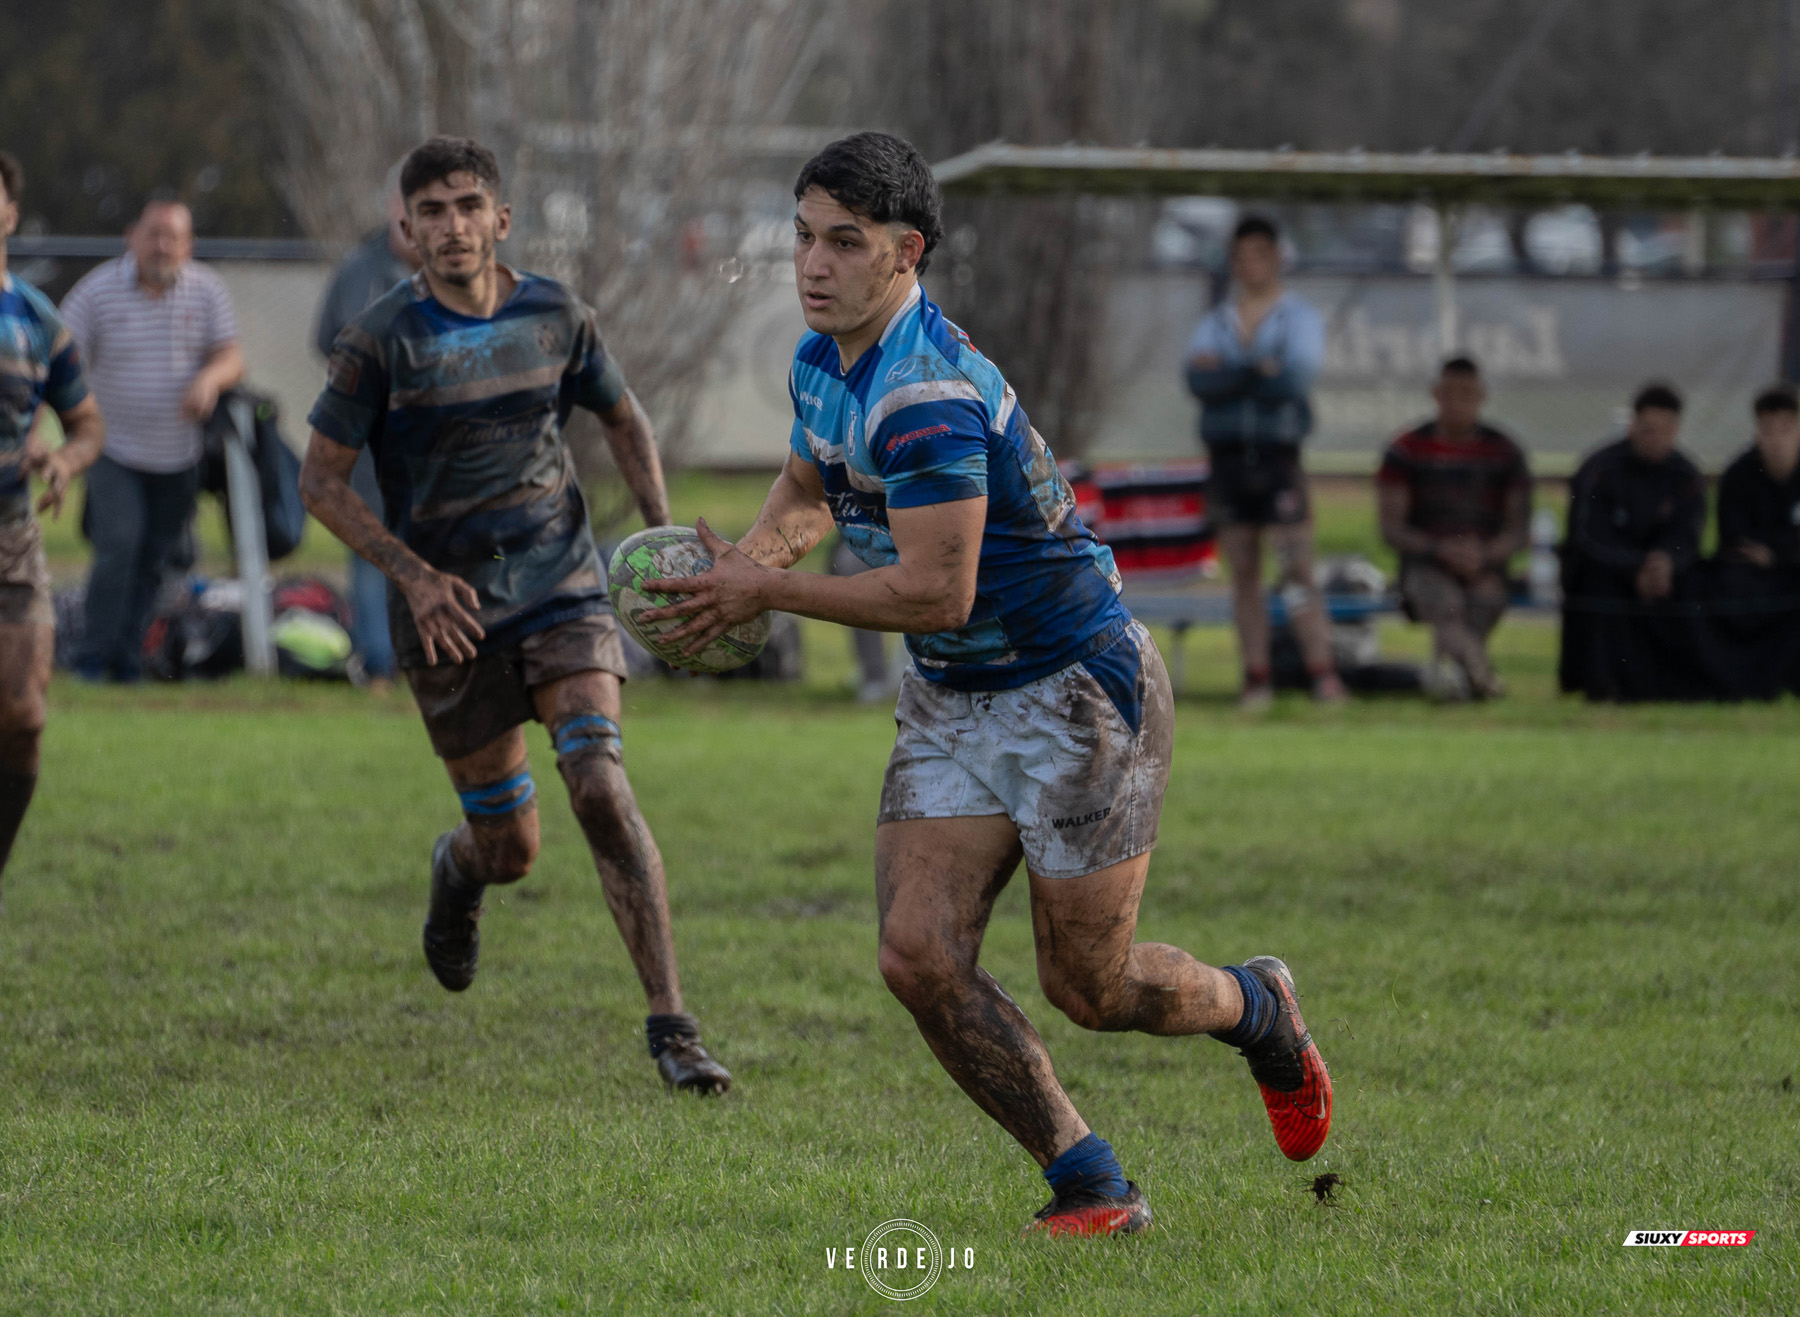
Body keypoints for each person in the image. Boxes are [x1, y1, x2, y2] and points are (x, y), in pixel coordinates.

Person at [642, 132, 1331, 1234]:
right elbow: (809, 487)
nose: (813, 265)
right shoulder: (823, 359)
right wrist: (739, 569)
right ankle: (1088, 1178)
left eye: (845, 243)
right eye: (803, 238)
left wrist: (762, 597)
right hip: (956, 702)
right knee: (917, 956)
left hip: (1073, 692)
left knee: (1092, 988)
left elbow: (934, 594)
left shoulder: (926, 394)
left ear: (906, 253)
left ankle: (1256, 1005)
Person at [299, 136, 729, 1094]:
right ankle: (459, 872)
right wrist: (411, 577)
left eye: (468, 207)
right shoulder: (378, 340)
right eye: (432, 213)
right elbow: (319, 482)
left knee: (601, 788)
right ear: (406, 231)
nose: (453, 227)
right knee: (513, 848)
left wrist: (662, 544)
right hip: (447, 613)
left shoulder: (554, 314)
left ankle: (674, 1027)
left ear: (501, 218)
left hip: (560, 585)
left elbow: (623, 418)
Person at [59, 198, 242, 683]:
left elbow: (231, 355)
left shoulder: (207, 291)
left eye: (173, 237)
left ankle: (127, 659)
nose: (162, 245)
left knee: (154, 562)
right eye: (153, 234)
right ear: (131, 237)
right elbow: (59, 355)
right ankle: (89, 660)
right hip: (112, 448)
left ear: (189, 245)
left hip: (178, 455)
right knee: (119, 545)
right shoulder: (97, 292)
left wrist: (210, 379)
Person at [0, 151, 106, 892]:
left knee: (25, 716)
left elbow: (87, 423)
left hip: (12, 536)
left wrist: (66, 460)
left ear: (10, 213)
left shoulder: (37, 320)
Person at [1185, 215, 1343, 710]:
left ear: (1276, 258)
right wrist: (1258, 367)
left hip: (1278, 458)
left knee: (1297, 570)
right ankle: (1256, 678)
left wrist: (1232, 373)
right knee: (1244, 575)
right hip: (1229, 460)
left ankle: (1323, 674)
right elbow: (1197, 379)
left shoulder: (1298, 318)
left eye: (1259, 254)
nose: (1249, 265)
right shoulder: (1216, 320)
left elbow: (1293, 378)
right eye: (1241, 255)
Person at [312, 169, 422, 691]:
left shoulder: (457, 275)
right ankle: (380, 664)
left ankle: (432, 662)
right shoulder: (359, 271)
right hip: (372, 437)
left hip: (440, 443)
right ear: (391, 209)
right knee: (371, 544)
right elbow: (328, 340)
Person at [1377, 356, 1531, 700]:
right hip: (1425, 564)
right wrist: (1440, 550)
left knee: (1484, 598)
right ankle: (1480, 674)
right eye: (1450, 392)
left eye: (1467, 393)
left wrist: (1483, 555)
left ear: (1482, 396)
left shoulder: (1504, 452)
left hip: (1486, 564)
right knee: (1446, 603)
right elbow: (1391, 528)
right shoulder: (1406, 449)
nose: (1458, 402)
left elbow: (1519, 529)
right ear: (1435, 394)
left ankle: (1453, 677)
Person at [1559, 383, 1708, 701]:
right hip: (1609, 569)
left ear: (1677, 429)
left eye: (1664, 431)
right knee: (1597, 582)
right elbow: (1588, 535)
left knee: (1700, 582)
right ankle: (1603, 683)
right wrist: (1633, 567)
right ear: (1633, 426)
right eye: (1648, 430)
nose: (1656, 439)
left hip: (1662, 574)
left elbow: (1689, 534)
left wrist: (1666, 561)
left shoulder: (1686, 475)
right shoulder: (1601, 469)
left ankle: (1684, 683)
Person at [1706, 384, 1800, 698]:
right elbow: (1736, 538)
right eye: (1768, 431)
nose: (1776, 440)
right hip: (1751, 578)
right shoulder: (1739, 474)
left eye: (1785, 430)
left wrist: (1778, 555)